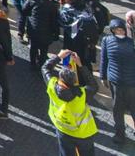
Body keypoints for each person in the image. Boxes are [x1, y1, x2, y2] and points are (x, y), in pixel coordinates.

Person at [44, 50, 98, 156]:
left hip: (62, 129)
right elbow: (93, 85)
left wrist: (58, 57)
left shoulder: (52, 86)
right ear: (74, 81)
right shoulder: (82, 94)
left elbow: (45, 68)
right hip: (83, 133)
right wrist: (80, 65)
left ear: (60, 78)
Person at [99, 17, 135, 145]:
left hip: (127, 82)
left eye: (121, 29)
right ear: (112, 30)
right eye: (117, 30)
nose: (119, 32)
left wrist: (103, 77)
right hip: (118, 82)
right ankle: (120, 134)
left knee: (123, 109)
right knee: (119, 109)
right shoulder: (107, 40)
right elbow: (104, 59)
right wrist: (103, 76)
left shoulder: (130, 42)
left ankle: (120, 135)